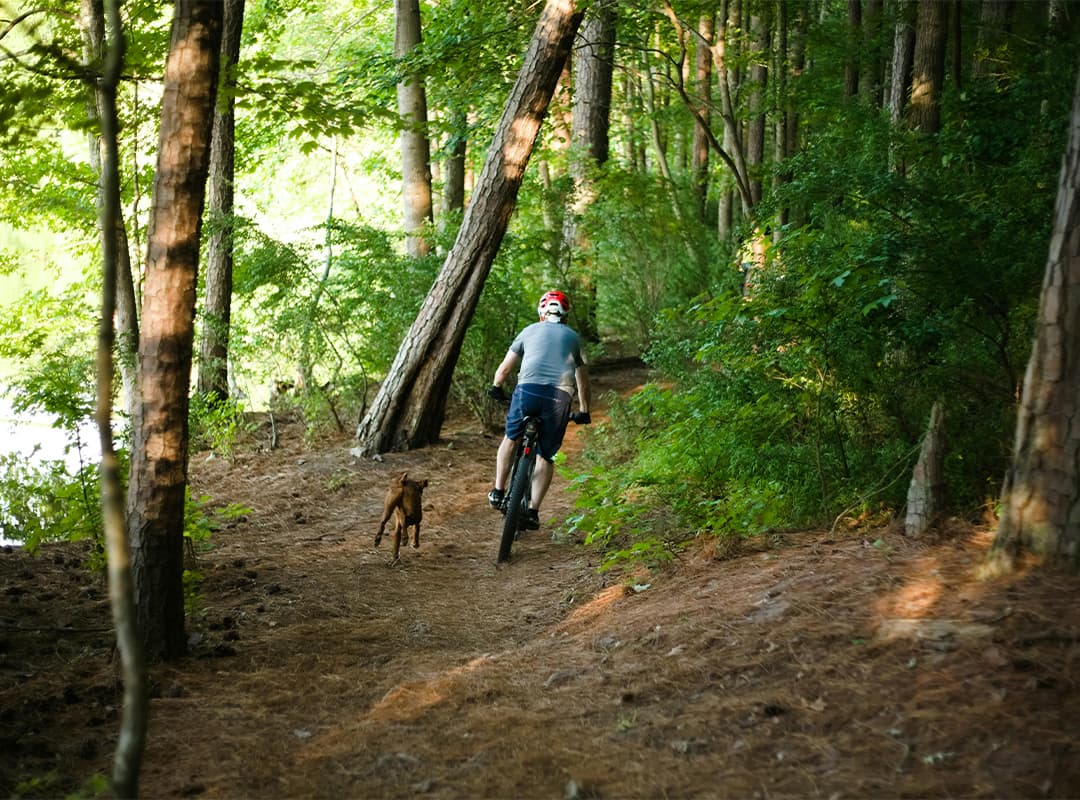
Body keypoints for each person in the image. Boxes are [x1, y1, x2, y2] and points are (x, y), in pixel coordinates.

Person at [487, 290, 591, 530]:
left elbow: (504, 370)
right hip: (558, 398)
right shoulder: (573, 338)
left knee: (511, 438)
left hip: (527, 393)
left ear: (541, 314)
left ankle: (498, 491)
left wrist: (496, 387)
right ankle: (533, 511)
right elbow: (582, 380)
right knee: (546, 455)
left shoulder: (528, 331)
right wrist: (584, 410)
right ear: (565, 316)